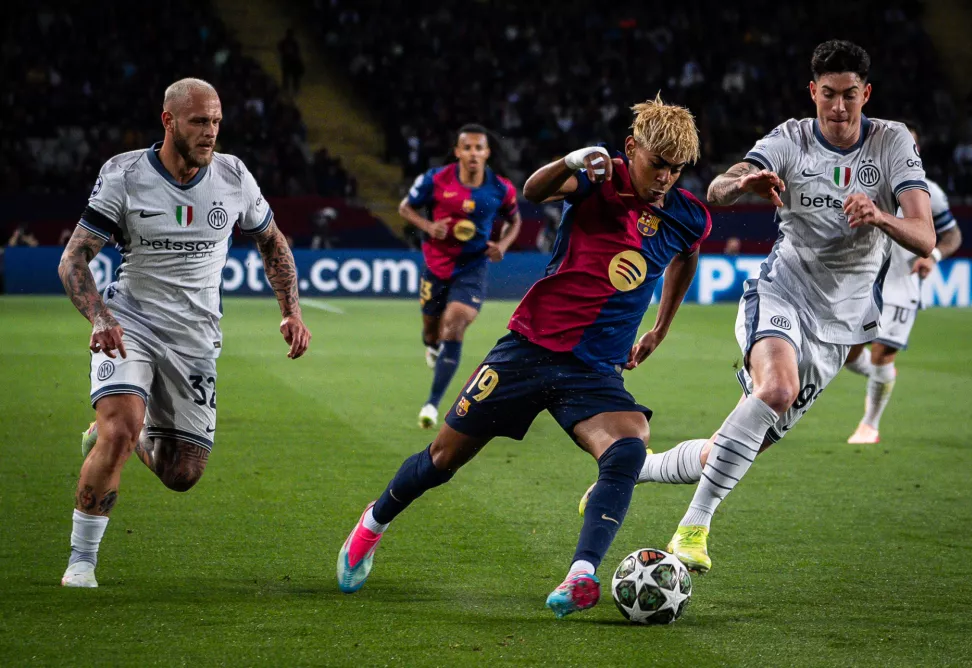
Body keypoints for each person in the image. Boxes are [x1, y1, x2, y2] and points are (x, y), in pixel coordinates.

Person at [338, 95, 709, 619]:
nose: (666, 178)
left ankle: (581, 575)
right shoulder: (600, 177)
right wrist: (571, 161)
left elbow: (686, 259)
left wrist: (660, 328)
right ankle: (371, 526)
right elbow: (535, 192)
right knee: (443, 459)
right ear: (632, 148)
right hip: (528, 348)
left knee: (627, 448)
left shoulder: (688, 217)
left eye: (676, 169)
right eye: (657, 164)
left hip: (594, 370)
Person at [581, 40, 934, 575]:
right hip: (781, 291)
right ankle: (692, 528)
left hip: (840, 327)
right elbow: (717, 189)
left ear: (867, 93)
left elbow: (925, 236)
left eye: (850, 97)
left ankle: (637, 469)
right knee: (776, 388)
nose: (839, 109)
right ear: (813, 91)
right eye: (829, 95)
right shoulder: (790, 138)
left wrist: (882, 218)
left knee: (731, 449)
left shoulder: (892, 145)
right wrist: (743, 183)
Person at [58, 78, 312, 588]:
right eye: (199, 121)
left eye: (216, 121)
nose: (211, 132)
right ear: (168, 120)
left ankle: (126, 434)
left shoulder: (234, 176)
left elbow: (272, 242)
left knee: (182, 475)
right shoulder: (125, 174)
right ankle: (81, 562)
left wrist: (291, 310)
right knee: (119, 431)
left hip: (195, 338)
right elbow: (74, 259)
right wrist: (102, 319)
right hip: (130, 322)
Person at [843, 126, 963, 444]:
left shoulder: (928, 192)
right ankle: (883, 377)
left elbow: (953, 235)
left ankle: (870, 425)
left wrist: (934, 255)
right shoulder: (863, 179)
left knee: (882, 353)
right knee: (848, 354)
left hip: (902, 284)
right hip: (864, 282)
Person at [398, 124, 522, 429]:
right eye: (467, 148)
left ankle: (431, 404)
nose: (473, 154)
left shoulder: (501, 188)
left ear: (487, 153)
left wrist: (502, 245)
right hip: (437, 266)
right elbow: (405, 208)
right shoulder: (435, 179)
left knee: (454, 324)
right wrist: (428, 227)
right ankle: (431, 344)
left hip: (473, 266)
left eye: (479, 148)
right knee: (432, 330)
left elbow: (514, 219)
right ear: (457, 152)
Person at [278, 29, 305, 95]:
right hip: (287, 61)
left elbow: (297, 52)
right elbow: (280, 49)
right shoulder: (285, 42)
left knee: (292, 77)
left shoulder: (293, 43)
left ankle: (293, 89)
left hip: (292, 62)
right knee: (287, 76)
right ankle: (287, 89)